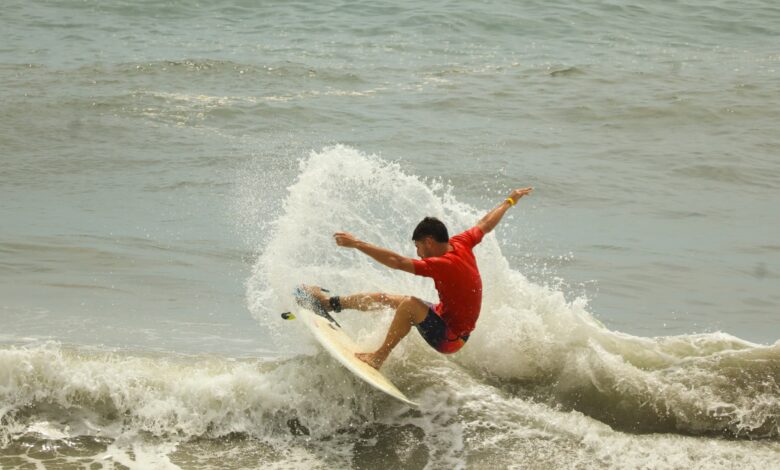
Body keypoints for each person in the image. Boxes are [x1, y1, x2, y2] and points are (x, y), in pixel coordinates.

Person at [304, 187, 533, 369]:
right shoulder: (461, 242)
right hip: (446, 319)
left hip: (451, 339)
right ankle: (329, 303)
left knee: (408, 305)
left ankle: (378, 357)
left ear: (429, 242)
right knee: (388, 299)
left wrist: (357, 244)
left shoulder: (443, 264)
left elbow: (397, 263)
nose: (418, 252)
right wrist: (509, 201)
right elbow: (485, 224)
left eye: (418, 246)